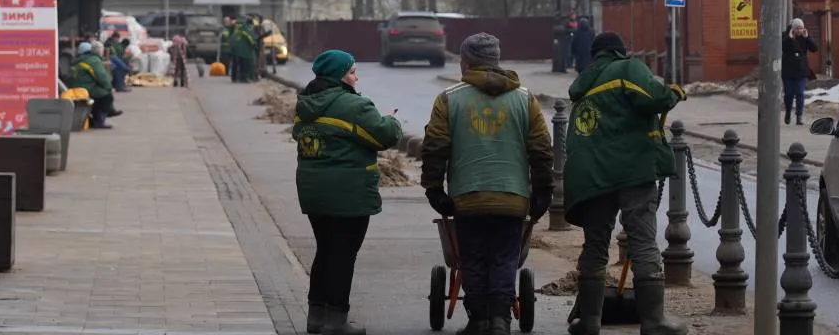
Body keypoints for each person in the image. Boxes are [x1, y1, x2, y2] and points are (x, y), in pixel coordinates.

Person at [421, 33, 554, 335]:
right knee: (505, 258)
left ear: (465, 62)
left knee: (473, 258)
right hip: (513, 197)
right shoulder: (525, 99)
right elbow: (541, 148)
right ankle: (500, 321)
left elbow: (435, 147)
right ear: (495, 60)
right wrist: (543, 189)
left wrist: (434, 188)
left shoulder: (449, 98)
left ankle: (479, 320)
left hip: (467, 197)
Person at [563, 32, 687, 335]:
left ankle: (590, 321)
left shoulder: (584, 87)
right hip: (630, 169)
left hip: (589, 177)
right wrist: (673, 93)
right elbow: (655, 99)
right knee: (642, 241)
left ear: (595, 56)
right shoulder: (627, 69)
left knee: (595, 244)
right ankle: (653, 321)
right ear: (620, 52)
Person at [294, 49, 404, 335]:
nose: (357, 77)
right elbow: (384, 136)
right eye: (353, 71)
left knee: (326, 250)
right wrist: (391, 120)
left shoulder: (306, 104)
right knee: (343, 255)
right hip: (348, 192)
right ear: (340, 75)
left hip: (312, 191)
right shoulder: (352, 105)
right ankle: (336, 320)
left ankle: (316, 316)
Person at [68, 42, 116, 129]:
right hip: (86, 88)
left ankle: (99, 117)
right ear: (100, 51)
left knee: (99, 97)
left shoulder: (79, 59)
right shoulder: (94, 60)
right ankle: (100, 121)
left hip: (75, 87)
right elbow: (102, 77)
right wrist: (109, 88)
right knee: (107, 96)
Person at [782, 18, 818, 126]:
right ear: (793, 29)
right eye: (797, 28)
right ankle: (788, 112)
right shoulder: (786, 36)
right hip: (788, 71)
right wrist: (790, 38)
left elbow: (814, 48)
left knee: (800, 93)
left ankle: (799, 116)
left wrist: (807, 38)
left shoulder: (804, 37)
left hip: (801, 71)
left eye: (801, 28)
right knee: (788, 94)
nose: (799, 31)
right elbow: (783, 47)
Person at [230, 13, 259, 83]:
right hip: (243, 48)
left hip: (234, 46)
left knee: (235, 63)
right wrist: (254, 44)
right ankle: (244, 78)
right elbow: (249, 36)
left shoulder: (236, 25)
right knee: (244, 64)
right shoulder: (244, 26)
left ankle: (234, 78)